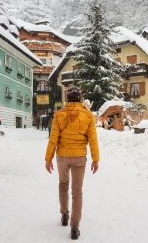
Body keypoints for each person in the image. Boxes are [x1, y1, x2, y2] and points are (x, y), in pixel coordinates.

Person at [45, 87, 99, 240]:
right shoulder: (88, 115)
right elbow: (93, 140)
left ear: (67, 99)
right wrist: (96, 159)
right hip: (79, 158)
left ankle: (64, 215)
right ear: (80, 98)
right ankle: (74, 227)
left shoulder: (59, 115)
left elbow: (53, 139)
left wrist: (48, 159)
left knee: (63, 184)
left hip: (62, 156)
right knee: (77, 191)